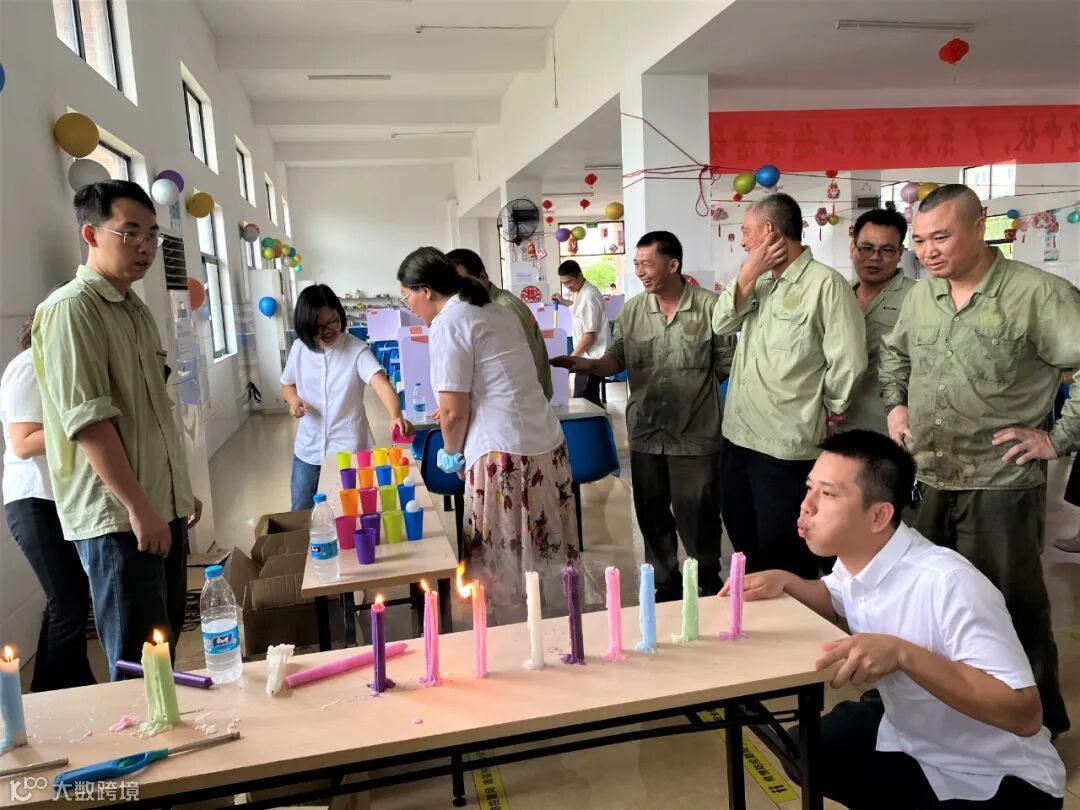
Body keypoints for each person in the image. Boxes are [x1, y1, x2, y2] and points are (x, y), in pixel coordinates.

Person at [724, 430, 1065, 809]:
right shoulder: (859, 556)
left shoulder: (948, 583)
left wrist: (903, 654)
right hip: (915, 735)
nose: (807, 506)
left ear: (878, 515)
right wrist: (788, 583)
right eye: (809, 488)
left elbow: (1025, 714)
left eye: (828, 494)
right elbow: (837, 596)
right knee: (805, 749)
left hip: (997, 774)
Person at [879, 183, 1080, 736]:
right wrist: (896, 405)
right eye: (920, 240)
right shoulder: (923, 296)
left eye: (941, 237)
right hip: (928, 476)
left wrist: (1058, 438)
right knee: (930, 602)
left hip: (1000, 483)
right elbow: (894, 355)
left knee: (1008, 606)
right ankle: (951, 716)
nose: (928, 251)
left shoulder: (1038, 294)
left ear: (978, 227)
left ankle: (1034, 727)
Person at [33, 180, 201, 679]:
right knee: (137, 662)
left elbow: (152, 412)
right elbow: (90, 423)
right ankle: (139, 733)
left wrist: (176, 491)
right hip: (119, 519)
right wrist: (139, 507)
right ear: (91, 234)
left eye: (152, 235)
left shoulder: (135, 309)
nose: (145, 246)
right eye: (130, 233)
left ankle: (167, 726)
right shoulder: (71, 309)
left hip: (157, 507)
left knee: (163, 646)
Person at [398, 247, 577, 617]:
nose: (409, 306)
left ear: (426, 291)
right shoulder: (495, 309)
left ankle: (512, 632)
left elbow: (452, 412)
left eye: (406, 296)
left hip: (504, 454)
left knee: (504, 567)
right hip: (546, 445)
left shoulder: (449, 322)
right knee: (542, 558)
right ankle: (551, 629)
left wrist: (451, 455)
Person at [553, 232, 731, 600]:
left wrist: (692, 391)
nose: (639, 272)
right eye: (636, 264)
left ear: (673, 265)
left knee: (698, 511)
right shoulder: (633, 311)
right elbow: (616, 358)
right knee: (651, 511)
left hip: (696, 432)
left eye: (646, 264)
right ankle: (664, 581)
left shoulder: (711, 307)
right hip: (647, 430)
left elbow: (726, 365)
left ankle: (706, 578)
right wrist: (586, 365)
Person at [712, 192, 866, 578]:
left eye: (746, 232)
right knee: (744, 540)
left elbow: (848, 362)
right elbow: (720, 324)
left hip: (785, 446)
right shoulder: (759, 282)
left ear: (769, 231)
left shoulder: (825, 285)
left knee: (784, 551)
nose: (743, 241)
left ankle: (795, 615)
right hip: (738, 436)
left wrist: (829, 410)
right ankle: (755, 611)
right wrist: (748, 273)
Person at [1, 316, 95, 691]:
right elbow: (23, 442)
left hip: (58, 497)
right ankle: (48, 693)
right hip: (32, 499)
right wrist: (86, 422)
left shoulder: (62, 368)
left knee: (70, 599)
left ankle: (69, 685)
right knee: (68, 600)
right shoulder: (27, 366)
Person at [281, 284, 411, 512]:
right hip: (308, 449)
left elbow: (380, 384)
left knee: (350, 511)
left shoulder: (356, 349)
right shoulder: (300, 348)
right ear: (306, 326)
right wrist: (293, 401)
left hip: (348, 449)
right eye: (320, 327)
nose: (329, 330)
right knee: (301, 511)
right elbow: (287, 384)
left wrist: (395, 415)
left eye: (333, 321)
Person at [842, 208, 916, 435]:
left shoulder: (917, 298)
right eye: (866, 248)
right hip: (837, 423)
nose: (875, 257)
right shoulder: (838, 295)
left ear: (900, 253)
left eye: (887, 250)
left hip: (889, 427)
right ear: (852, 249)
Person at [445, 248, 553, 401]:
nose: (455, 293)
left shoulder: (503, 308)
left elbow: (525, 367)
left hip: (523, 405)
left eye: (460, 283)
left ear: (482, 277)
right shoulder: (489, 306)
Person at [551, 260, 609, 407]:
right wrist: (563, 301)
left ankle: (600, 421)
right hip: (586, 357)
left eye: (569, 282)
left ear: (580, 276)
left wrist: (571, 359)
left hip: (592, 358)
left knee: (585, 401)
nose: (567, 286)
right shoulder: (580, 291)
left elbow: (589, 336)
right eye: (564, 283)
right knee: (587, 399)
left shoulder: (589, 296)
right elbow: (578, 309)